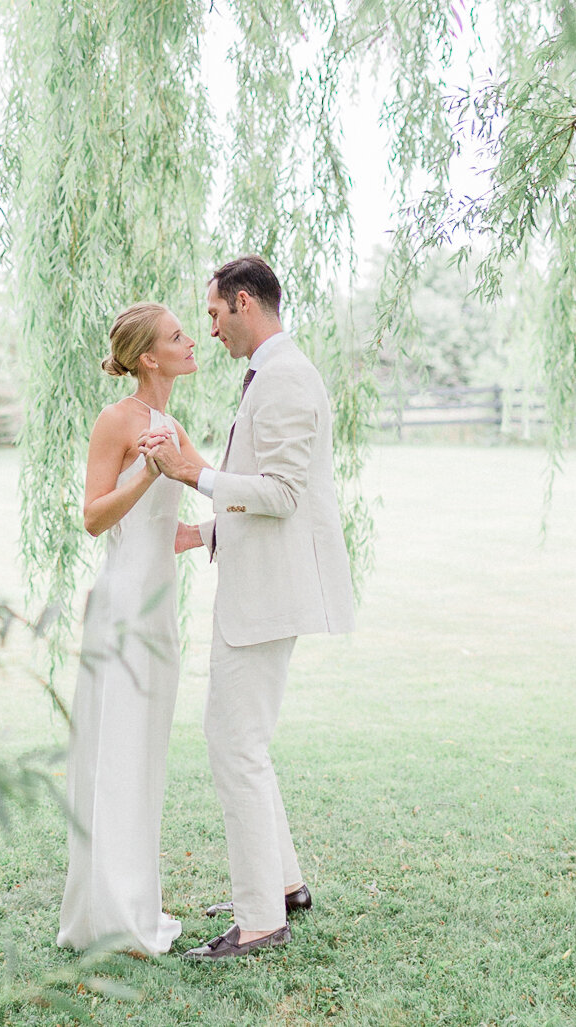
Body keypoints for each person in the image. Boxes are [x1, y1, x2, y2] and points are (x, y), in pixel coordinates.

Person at [143, 255, 356, 960]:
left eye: (211, 314)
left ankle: (260, 917)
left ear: (242, 302)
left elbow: (285, 492)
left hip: (267, 597)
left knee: (233, 743)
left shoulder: (288, 378)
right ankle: (283, 887)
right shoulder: (273, 373)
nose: (209, 329)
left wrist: (194, 474)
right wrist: (200, 533)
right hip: (261, 583)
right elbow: (264, 494)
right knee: (244, 742)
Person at [56, 302, 212, 956]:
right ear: (148, 357)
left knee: (144, 755)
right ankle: (111, 915)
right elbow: (94, 518)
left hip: (159, 610)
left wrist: (219, 530)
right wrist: (148, 471)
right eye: (178, 335)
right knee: (115, 753)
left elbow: (195, 506)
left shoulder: (172, 426)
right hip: (122, 608)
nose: (191, 340)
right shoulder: (116, 421)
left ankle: (136, 904)